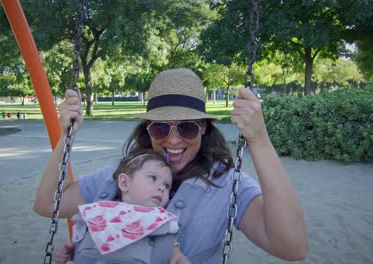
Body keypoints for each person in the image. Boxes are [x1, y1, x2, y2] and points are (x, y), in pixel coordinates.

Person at [34, 68, 308, 263]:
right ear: (147, 129)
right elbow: (47, 205)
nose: (173, 140)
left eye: (187, 128)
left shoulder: (226, 184)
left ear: (203, 128)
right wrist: (65, 138)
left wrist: (259, 140)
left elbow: (292, 247)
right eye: (161, 128)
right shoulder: (122, 173)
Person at [52, 149, 190, 264]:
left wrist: (176, 254)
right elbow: (82, 241)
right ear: (124, 182)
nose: (161, 188)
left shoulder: (159, 219)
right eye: (153, 178)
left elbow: (169, 245)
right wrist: (68, 251)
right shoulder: (99, 211)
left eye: (167, 185)